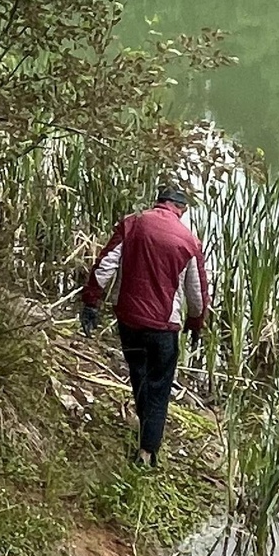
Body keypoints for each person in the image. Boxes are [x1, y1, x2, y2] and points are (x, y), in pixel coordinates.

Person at [81, 183, 212, 467]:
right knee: (160, 386)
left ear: (158, 201)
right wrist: (195, 322)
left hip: (129, 320)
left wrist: (91, 301)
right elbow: (197, 293)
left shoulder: (132, 223)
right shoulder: (189, 241)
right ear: (182, 208)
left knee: (139, 374)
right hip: (163, 328)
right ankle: (147, 451)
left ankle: (145, 429)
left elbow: (105, 266)